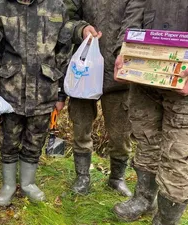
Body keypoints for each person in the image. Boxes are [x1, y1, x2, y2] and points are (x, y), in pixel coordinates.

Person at [0, 0, 91, 206]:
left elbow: (64, 51)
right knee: (9, 140)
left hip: (44, 90)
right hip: (11, 91)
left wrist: (62, 94)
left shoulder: (57, 6)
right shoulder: (3, 6)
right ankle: (8, 185)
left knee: (35, 139)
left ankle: (28, 183)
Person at [112, 1, 188, 224]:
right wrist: (122, 50)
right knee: (146, 141)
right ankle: (144, 198)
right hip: (145, 75)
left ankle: (165, 220)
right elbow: (133, 12)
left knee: (180, 153)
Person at [65, 0, 145, 196]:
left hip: (119, 74)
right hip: (84, 71)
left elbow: (135, 22)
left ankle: (117, 178)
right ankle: (82, 177)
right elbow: (65, 19)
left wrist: (123, 51)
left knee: (121, 134)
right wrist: (81, 29)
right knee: (80, 127)